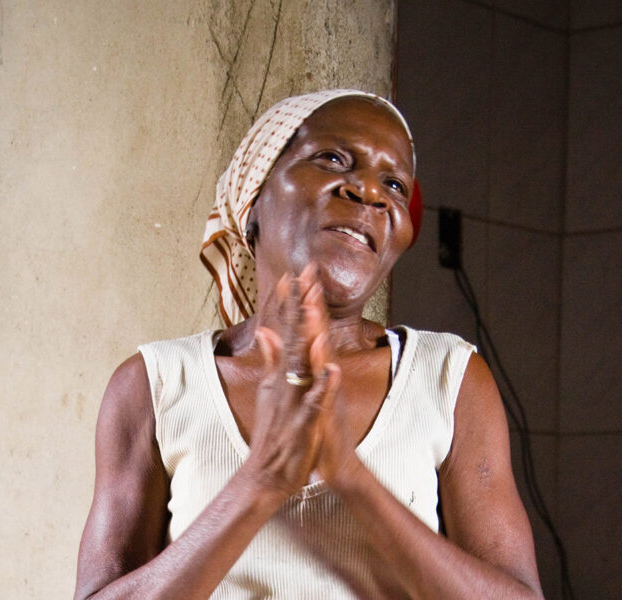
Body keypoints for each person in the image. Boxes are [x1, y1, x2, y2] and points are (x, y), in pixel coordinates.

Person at [73, 89, 544, 599]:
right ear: (253, 199)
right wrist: (261, 480)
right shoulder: (157, 385)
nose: (370, 192)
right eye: (334, 159)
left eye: (394, 182)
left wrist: (349, 475)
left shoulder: (448, 378)